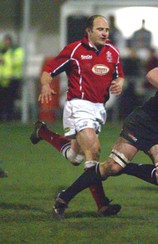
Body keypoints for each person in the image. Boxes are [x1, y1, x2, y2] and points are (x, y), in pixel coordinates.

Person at [51, 40, 158, 219]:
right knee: (112, 167)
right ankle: (63, 199)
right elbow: (152, 74)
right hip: (143, 122)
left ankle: (125, 168)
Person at [30, 15, 125, 217]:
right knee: (94, 150)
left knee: (76, 156)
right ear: (88, 31)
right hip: (78, 106)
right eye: (100, 29)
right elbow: (49, 70)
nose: (104, 33)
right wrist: (46, 84)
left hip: (99, 109)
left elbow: (120, 74)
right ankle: (94, 204)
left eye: (106, 30)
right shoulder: (74, 50)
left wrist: (120, 83)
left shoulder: (113, 52)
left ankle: (43, 132)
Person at [0, 34, 25, 121]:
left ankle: (10, 117)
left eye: (7, 40)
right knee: (2, 99)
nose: (5, 43)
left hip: (13, 79)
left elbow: (17, 62)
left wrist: (5, 60)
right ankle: (3, 117)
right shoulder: (3, 51)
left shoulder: (16, 51)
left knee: (10, 99)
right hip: (3, 79)